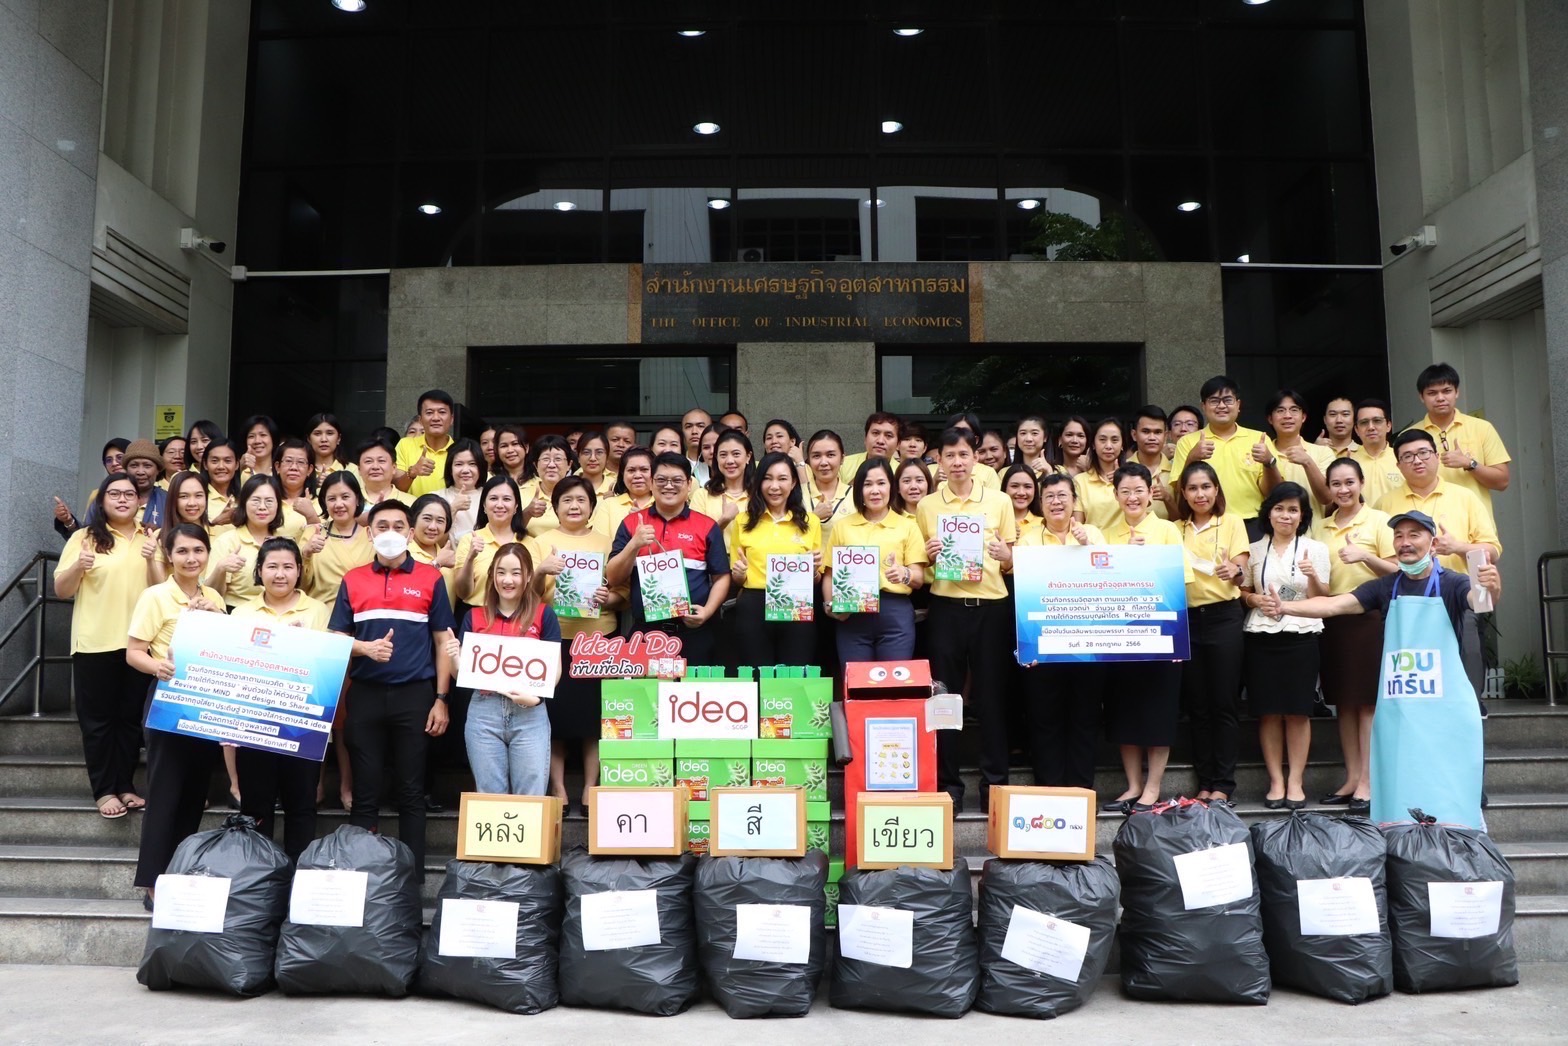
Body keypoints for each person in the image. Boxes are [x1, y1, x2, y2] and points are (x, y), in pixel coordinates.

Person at [1272, 510, 1501, 828]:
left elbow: (1480, 601)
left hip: (1445, 710)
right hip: (1400, 711)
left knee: (1448, 790)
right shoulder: (1385, 586)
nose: (1404, 543)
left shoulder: (1452, 583)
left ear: (1433, 544)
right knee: (1400, 791)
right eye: (1399, 536)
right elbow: (1335, 605)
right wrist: (1285, 607)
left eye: (1414, 535)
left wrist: (1492, 585)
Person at [328, 501, 458, 874]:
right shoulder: (353, 579)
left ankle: (411, 882)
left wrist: (441, 699)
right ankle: (361, 877)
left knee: (411, 793)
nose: (389, 532)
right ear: (369, 533)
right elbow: (336, 637)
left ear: (410, 534)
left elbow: (442, 642)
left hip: (415, 695)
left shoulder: (431, 578)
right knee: (365, 793)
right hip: (365, 695)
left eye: (398, 525)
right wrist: (365, 648)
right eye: (381, 525)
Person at [916, 427, 1016, 810]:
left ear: (976, 458)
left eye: (963, 454)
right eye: (949, 456)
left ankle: (995, 787)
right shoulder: (927, 506)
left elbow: (1010, 563)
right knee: (945, 698)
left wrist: (1006, 555)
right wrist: (930, 555)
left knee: (992, 699)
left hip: (991, 607)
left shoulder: (1000, 501)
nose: (957, 462)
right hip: (946, 608)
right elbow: (921, 567)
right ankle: (949, 786)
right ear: (938, 461)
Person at [128, 523, 226, 905]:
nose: (191, 558)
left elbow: (225, 649)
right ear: (169, 555)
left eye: (198, 551)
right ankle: (153, 881)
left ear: (207, 555)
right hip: (168, 698)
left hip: (204, 702)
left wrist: (217, 614)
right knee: (165, 793)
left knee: (194, 793)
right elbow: (133, 652)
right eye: (182, 551)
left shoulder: (215, 595)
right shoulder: (155, 596)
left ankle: (180, 871)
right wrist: (158, 667)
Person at [54, 475, 157, 819]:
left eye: (130, 494)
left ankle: (125, 785)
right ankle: (103, 790)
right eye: (115, 494)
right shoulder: (85, 537)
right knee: (97, 722)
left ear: (139, 500)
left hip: (139, 644)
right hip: (95, 642)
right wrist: (77, 567)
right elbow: (61, 590)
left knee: (129, 720)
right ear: (102, 501)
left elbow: (162, 591)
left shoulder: (150, 535)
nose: (123, 499)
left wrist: (154, 558)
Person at [999, 473, 1105, 789]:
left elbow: (1109, 580)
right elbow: (1022, 594)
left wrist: (1087, 547)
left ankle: (1082, 792)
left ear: (1074, 500)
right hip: (1043, 649)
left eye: (1062, 496)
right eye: (1049, 497)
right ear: (1041, 504)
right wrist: (1027, 647)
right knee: (1045, 722)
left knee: (1084, 721)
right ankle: (1050, 791)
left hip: (1088, 645)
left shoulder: (1094, 534)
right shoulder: (1029, 539)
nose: (1056, 502)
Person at [1099, 463, 1192, 812]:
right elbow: (1095, 587)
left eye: (1139, 490)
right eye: (1125, 491)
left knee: (1158, 711)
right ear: (1116, 495)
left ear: (1150, 491)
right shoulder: (1105, 534)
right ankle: (1132, 785)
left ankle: (1152, 787)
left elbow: (1179, 584)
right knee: (1124, 710)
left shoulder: (1168, 530)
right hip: (1118, 638)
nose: (1132, 497)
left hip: (1161, 634)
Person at [233, 537, 333, 859]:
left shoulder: (318, 611)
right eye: (272, 566)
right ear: (259, 570)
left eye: (288, 566)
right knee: (256, 807)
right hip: (253, 724)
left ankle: (296, 881)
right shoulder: (241, 613)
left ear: (299, 570)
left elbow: (328, 666)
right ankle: (258, 880)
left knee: (301, 806)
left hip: (302, 725)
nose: (280, 574)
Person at [1312, 458, 1397, 811]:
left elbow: (1396, 571)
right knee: (1343, 705)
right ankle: (1351, 776)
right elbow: (1321, 583)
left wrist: (1363, 555)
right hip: (1333, 619)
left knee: (1366, 704)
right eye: (1336, 484)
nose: (1343, 489)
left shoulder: (1378, 521)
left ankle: (1368, 780)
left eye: (1350, 482)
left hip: (1368, 618)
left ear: (1361, 483)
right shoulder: (1320, 527)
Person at [443, 543, 560, 796]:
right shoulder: (473, 617)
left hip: (529, 712)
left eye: (516, 572)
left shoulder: (544, 615)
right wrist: (454, 656)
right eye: (501, 572)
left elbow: (554, 667)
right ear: (492, 576)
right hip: (484, 711)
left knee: (530, 795)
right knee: (489, 795)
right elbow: (461, 674)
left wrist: (537, 698)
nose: (508, 580)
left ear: (528, 575)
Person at [1240, 482, 1330, 809]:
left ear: (1303, 515)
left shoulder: (1315, 549)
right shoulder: (1254, 549)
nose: (1286, 515)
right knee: (1268, 712)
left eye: (1293, 510)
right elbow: (1244, 591)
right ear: (1269, 513)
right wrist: (1252, 598)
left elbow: (1323, 598)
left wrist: (1312, 577)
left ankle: (1296, 781)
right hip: (1261, 636)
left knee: (1297, 712)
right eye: (1279, 508)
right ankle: (1276, 780)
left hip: (1301, 634)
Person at [540, 477, 624, 812]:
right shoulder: (541, 541)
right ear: (555, 506)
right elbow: (526, 595)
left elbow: (625, 596)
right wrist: (541, 571)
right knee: (554, 718)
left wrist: (609, 597)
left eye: (581, 500)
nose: (574, 506)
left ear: (592, 506)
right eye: (567, 500)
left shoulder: (607, 543)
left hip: (599, 640)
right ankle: (558, 788)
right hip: (554, 638)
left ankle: (591, 787)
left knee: (595, 719)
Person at [605, 453, 731, 666]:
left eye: (677, 480)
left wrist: (707, 611)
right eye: (661, 480)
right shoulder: (631, 523)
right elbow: (613, 578)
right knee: (649, 697)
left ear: (689, 484)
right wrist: (634, 544)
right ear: (652, 484)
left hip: (694, 631)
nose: (669, 486)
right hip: (646, 633)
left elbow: (721, 577)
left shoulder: (707, 526)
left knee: (691, 697)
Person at [1174, 461, 1250, 805]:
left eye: (1206, 487)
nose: (1199, 494)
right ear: (1184, 494)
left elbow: (1242, 570)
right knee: (1198, 706)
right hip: (1186, 621)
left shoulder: (1232, 522)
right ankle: (1204, 782)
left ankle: (1224, 783)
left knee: (1223, 703)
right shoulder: (1174, 529)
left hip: (1224, 617)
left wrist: (1234, 570)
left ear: (1216, 490)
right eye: (1192, 488)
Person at [823, 457, 926, 663]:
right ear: (859, 490)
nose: (875, 490)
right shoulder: (843, 526)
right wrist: (829, 606)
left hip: (894, 612)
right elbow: (830, 574)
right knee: (856, 685)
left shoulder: (907, 526)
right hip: (852, 612)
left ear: (892, 487)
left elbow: (918, 578)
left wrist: (903, 574)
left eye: (881, 483)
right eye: (867, 484)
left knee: (893, 685)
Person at [728, 451, 823, 667]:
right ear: (759, 482)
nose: (774, 486)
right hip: (753, 605)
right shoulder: (742, 521)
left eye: (782, 479)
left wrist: (814, 571)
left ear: (793, 482)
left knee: (795, 674)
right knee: (758, 675)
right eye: (768, 478)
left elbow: (816, 579)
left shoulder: (811, 522)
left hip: (797, 604)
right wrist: (739, 574)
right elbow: (737, 579)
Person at [1170, 375, 1276, 540]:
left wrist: (1269, 462)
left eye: (1227, 400)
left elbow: (1272, 492)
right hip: (1205, 523)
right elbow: (1179, 490)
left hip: (1251, 524)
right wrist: (1192, 458)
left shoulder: (1259, 439)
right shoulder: (1188, 442)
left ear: (1238, 404)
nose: (1221, 406)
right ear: (1203, 406)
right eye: (1214, 401)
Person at [1409, 362, 1511, 526]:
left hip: (1475, 526)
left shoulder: (1481, 428)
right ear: (1421, 397)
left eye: (1447, 391)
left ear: (1457, 392)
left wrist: (1469, 464)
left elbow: (1502, 482)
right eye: (1432, 393)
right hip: (1427, 528)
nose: (1440, 398)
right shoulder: (1409, 437)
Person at [454, 474, 552, 610]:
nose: (499, 505)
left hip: (520, 618)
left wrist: (541, 572)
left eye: (506, 499)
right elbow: (462, 593)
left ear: (516, 506)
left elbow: (536, 593)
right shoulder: (470, 540)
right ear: (484, 505)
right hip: (476, 618)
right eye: (493, 498)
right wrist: (470, 558)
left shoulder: (531, 543)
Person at [207, 475, 289, 611]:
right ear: (243, 504)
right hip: (236, 614)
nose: (262, 507)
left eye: (269, 501)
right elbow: (211, 596)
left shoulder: (285, 543)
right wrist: (221, 569)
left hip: (277, 615)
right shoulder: (227, 541)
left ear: (278, 505)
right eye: (256, 501)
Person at [302, 471, 374, 604]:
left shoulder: (371, 537)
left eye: (345, 497)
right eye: (332, 499)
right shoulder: (312, 533)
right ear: (324, 502)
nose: (339, 504)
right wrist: (306, 553)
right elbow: (300, 587)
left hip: (361, 616)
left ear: (357, 499)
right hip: (323, 617)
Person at [1262, 389, 1334, 507]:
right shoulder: (1263, 454)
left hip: (1314, 525)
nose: (1287, 416)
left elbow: (1327, 498)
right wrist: (1268, 461)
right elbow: (1268, 495)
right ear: (1270, 419)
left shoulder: (1323, 452)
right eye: (1280, 411)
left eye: (1294, 410)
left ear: (1303, 417)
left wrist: (1307, 462)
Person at [53, 438, 132, 539]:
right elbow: (87, 536)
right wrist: (69, 522)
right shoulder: (98, 495)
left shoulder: (150, 493)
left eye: (120, 457)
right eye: (108, 460)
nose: (114, 463)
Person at [395, 389, 458, 497]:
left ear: (451, 419)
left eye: (442, 412)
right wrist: (412, 472)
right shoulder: (405, 444)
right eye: (429, 413)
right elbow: (396, 488)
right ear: (420, 420)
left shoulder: (459, 450)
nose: (436, 418)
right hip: (412, 512)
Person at [690, 428, 753, 531]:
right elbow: (696, 541)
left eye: (736, 454)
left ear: (748, 457)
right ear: (716, 458)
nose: (729, 461)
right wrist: (723, 521)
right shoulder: (702, 495)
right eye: (723, 455)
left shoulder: (759, 494)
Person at [1072, 418, 1125, 531]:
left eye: (1115, 440)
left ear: (1122, 445)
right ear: (1093, 445)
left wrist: (1123, 481)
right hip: (1092, 545)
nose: (1108, 446)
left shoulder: (1132, 479)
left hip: (1125, 545)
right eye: (1102, 440)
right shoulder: (1080, 481)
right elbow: (1078, 525)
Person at [519, 435, 576, 537]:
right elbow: (508, 531)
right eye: (545, 459)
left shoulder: (578, 495)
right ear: (536, 465)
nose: (551, 465)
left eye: (558, 459)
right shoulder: (520, 494)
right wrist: (527, 513)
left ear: (569, 465)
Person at [1350, 398, 1403, 508]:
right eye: (1364, 423)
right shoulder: (1349, 461)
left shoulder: (1403, 458)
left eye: (1377, 421)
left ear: (1388, 425)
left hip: (1397, 523)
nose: (1371, 427)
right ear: (1356, 429)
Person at [596, 446, 656, 539]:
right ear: (622, 474)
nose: (637, 475)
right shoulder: (608, 505)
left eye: (644, 469)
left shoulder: (664, 505)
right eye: (631, 470)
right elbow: (601, 546)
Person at [436, 437, 487, 541]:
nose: (465, 470)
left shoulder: (491, 497)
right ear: (450, 469)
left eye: (472, 464)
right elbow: (432, 541)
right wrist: (453, 509)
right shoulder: (436, 498)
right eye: (459, 464)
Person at [1129, 406, 1174, 518]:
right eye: (1146, 431)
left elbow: (1184, 520)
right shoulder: (1122, 469)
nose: (1152, 437)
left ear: (1166, 436)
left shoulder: (1177, 471)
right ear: (1134, 435)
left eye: (1158, 432)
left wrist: (1167, 498)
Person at [804, 429, 855, 529]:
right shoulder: (796, 494)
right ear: (809, 460)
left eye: (830, 455)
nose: (823, 462)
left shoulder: (855, 495)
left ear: (842, 458)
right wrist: (814, 517)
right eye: (816, 456)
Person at [839, 411, 902, 484]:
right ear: (865, 438)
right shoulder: (843, 464)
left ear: (898, 444)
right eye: (875, 433)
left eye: (888, 436)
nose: (880, 441)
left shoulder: (902, 472)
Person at [275, 438, 321, 526]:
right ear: (277, 467)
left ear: (310, 470)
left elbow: (327, 537)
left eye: (300, 462)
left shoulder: (322, 501)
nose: (294, 467)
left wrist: (311, 516)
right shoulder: (267, 500)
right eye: (288, 461)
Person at [202, 438, 242, 528]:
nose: (221, 466)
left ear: (236, 464)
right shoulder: (198, 498)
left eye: (227, 461)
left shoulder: (245, 499)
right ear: (205, 464)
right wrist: (215, 523)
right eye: (214, 461)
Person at [1001, 463, 1043, 543]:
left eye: (1027, 487)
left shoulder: (1044, 524)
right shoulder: (993, 523)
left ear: (1035, 490)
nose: (1021, 492)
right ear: (1004, 488)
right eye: (1014, 486)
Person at [573, 430, 617, 499]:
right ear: (578, 457)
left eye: (599, 452)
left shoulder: (616, 487)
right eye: (586, 452)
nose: (592, 458)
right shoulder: (568, 486)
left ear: (607, 457)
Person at [306, 412, 349, 481]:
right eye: (317, 433)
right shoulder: (301, 470)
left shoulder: (353, 470)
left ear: (338, 438)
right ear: (309, 439)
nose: (324, 439)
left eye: (330, 433)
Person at [680, 407, 713, 486]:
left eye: (700, 426)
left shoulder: (720, 464)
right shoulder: (677, 464)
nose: (694, 431)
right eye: (688, 426)